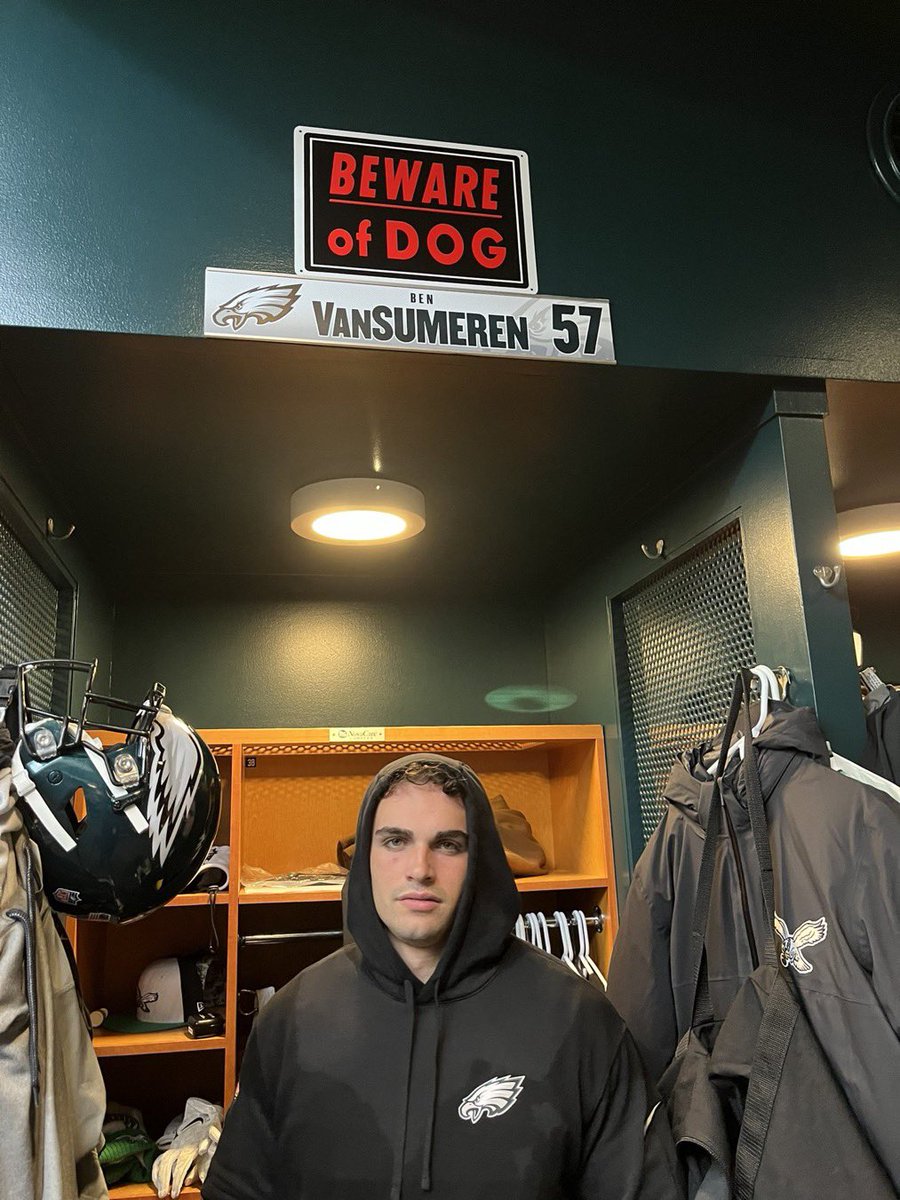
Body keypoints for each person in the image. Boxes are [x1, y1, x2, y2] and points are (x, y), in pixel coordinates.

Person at [203, 753, 683, 1200]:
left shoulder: (577, 1019)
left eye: (448, 845)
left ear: (482, 862)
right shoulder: (293, 1018)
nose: (420, 869)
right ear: (363, 859)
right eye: (395, 840)